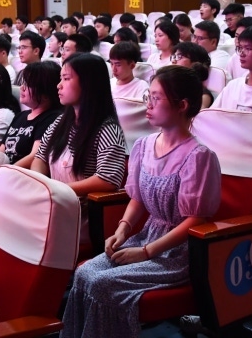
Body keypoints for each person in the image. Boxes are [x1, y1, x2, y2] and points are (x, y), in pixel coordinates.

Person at [60, 65, 221, 338]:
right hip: (146, 236)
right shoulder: (144, 146)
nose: (149, 104)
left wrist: (147, 252)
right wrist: (122, 230)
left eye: (156, 98)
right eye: (149, 96)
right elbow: (138, 198)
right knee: (84, 274)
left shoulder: (198, 157)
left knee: (102, 284)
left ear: (182, 105)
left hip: (177, 252)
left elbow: (196, 219)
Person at [32, 54, 127, 242]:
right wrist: (41, 186)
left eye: (66, 79)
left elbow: (108, 179)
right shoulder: (61, 121)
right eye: (60, 79)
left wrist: (59, 190)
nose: (59, 85)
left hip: (81, 215)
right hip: (54, 202)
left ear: (88, 84)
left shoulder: (107, 129)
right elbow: (40, 157)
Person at [0, 61, 62, 170]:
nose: (22, 87)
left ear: (46, 91)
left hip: (20, 174)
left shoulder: (52, 118)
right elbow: (1, 151)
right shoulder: (20, 116)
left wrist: (5, 171)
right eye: (23, 82)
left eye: (28, 84)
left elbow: (35, 156)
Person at [171, 42, 213, 108]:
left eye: (179, 56)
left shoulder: (203, 95)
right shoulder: (168, 85)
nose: (173, 61)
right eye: (174, 57)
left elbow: (197, 114)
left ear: (196, 63)